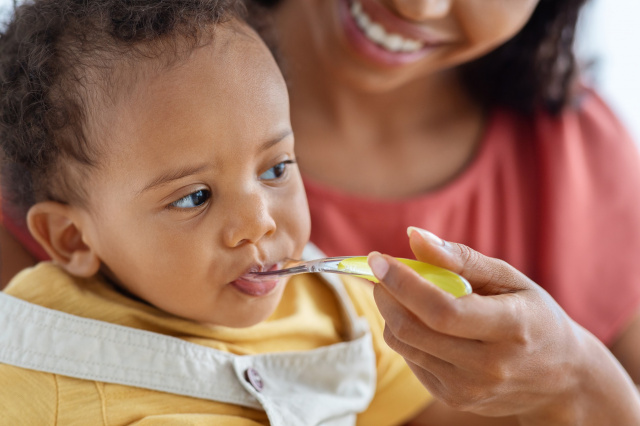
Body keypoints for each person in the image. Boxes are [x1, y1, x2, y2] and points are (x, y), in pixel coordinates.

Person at [0, 0, 639, 425]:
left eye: (277, 169)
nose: (261, 222)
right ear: (70, 237)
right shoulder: (37, 364)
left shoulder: (334, 308)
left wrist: (560, 372)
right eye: (194, 197)